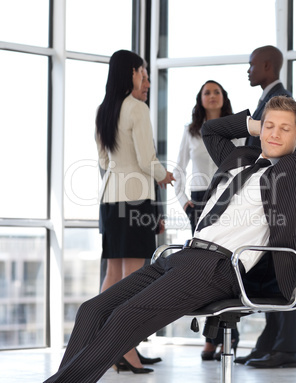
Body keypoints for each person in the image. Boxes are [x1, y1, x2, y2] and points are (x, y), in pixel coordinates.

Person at [44, 95, 296, 383]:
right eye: (269, 126)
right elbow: (211, 130)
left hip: (219, 268)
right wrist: (253, 124)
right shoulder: (238, 159)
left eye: (286, 129)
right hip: (182, 255)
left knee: (125, 318)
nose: (275, 134)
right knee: (92, 310)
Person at [95, 50, 174, 374]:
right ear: (131, 72)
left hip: (110, 197)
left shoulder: (105, 110)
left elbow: (103, 161)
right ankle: (126, 348)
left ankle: (105, 345)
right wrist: (163, 175)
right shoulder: (137, 109)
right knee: (133, 279)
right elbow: (145, 160)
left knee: (113, 275)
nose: (145, 76)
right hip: (134, 198)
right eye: (142, 70)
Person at [234, 45, 296, 369]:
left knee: (284, 273)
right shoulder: (268, 101)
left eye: (251, 65)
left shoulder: (279, 102)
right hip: (266, 194)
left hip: (276, 194)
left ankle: (286, 349)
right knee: (273, 271)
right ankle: (271, 343)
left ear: (267, 65)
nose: (248, 71)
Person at [173, 80, 240, 360]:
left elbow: (243, 165)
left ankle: (229, 337)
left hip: (229, 199)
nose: (212, 96)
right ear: (200, 100)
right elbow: (178, 168)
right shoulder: (192, 132)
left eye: (216, 92)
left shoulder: (237, 128)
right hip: (200, 202)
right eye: (206, 93)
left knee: (229, 268)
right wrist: (184, 202)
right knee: (204, 271)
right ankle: (211, 338)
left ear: (224, 98)